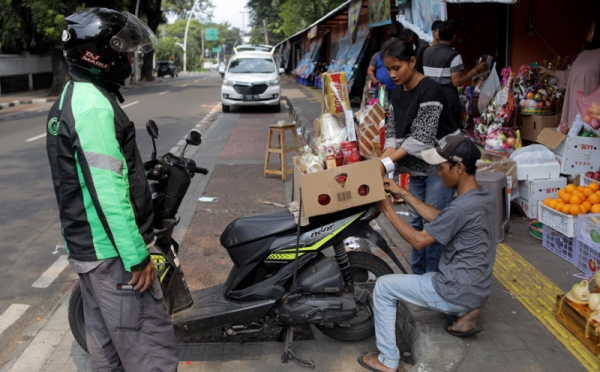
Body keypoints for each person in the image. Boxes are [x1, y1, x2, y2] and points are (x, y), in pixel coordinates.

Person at [45, 8, 179, 371]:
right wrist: (136, 255)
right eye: (121, 50)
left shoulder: (73, 96)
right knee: (150, 352)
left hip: (89, 250)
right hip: (114, 255)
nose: (127, 59)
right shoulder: (91, 106)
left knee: (106, 350)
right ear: (99, 54)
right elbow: (107, 190)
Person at [359, 136, 497, 372]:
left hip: (455, 288)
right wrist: (404, 193)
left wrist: (389, 210)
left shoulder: (462, 207)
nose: (438, 173)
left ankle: (388, 360)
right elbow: (443, 218)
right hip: (477, 286)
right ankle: (467, 312)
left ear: (460, 168)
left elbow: (419, 241)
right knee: (429, 276)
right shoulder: (482, 197)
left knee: (383, 287)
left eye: (441, 167)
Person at [378, 39, 460, 274]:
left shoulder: (430, 90)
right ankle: (418, 276)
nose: (392, 74)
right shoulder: (396, 93)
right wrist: (381, 161)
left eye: (397, 68)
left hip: (440, 165)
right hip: (417, 167)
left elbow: (421, 138)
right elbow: (392, 133)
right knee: (415, 221)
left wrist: (386, 162)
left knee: (433, 224)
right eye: (388, 69)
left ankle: (433, 278)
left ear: (412, 62)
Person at [538, 19, 600, 131]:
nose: (587, 32)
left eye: (591, 29)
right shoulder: (583, 54)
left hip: (591, 113)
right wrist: (546, 71)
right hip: (573, 107)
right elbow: (567, 76)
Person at [422, 20, 488, 122]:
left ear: (438, 34)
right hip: (446, 101)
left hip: (428, 98)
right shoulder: (454, 55)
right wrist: (475, 70)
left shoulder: (427, 51)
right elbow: (456, 82)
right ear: (454, 36)